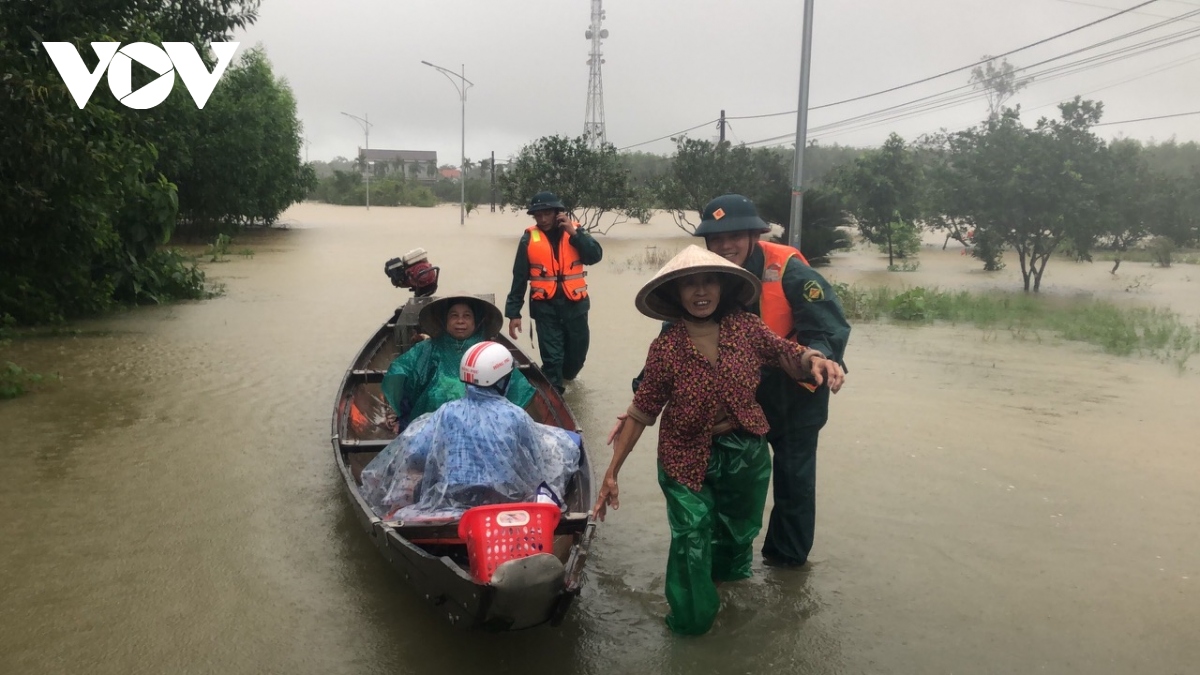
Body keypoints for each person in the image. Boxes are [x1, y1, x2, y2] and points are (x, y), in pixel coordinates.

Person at [591, 245, 844, 636]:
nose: (700, 291)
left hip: (744, 450)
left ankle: (719, 592)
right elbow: (643, 411)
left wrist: (815, 359)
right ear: (677, 294)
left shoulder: (746, 327)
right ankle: (689, 627)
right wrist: (612, 473)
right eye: (690, 284)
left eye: (708, 281)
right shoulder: (666, 348)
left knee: (734, 535)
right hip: (683, 454)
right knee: (692, 535)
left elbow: (784, 352)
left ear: (723, 287)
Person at [696, 194, 851, 568]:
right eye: (715, 239)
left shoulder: (789, 271)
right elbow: (677, 331)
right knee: (735, 480)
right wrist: (647, 386)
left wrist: (821, 357)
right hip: (741, 396)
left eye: (733, 235)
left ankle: (786, 567)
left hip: (796, 391)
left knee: (794, 483)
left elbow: (826, 326)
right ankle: (729, 562)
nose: (724, 245)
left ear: (752, 234)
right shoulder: (702, 272)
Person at [362, 341, 581, 519]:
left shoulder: (447, 412)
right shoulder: (516, 415)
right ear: (502, 380)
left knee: (411, 485)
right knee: (566, 445)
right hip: (501, 501)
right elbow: (536, 462)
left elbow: (417, 455)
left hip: (451, 496)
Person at [381, 293, 535, 431]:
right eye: (454, 316)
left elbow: (515, 386)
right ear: (445, 321)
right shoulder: (428, 348)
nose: (460, 321)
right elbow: (400, 372)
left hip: (484, 424)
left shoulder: (489, 351)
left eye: (467, 316)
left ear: (476, 322)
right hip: (433, 425)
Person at [505, 191, 603, 394]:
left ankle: (563, 381)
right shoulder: (528, 239)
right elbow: (519, 277)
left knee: (576, 358)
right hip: (545, 308)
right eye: (537, 215)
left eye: (546, 213)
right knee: (553, 360)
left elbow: (595, 256)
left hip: (575, 307)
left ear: (557, 213)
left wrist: (574, 234)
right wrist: (514, 313)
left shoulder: (575, 232)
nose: (542, 219)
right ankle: (555, 397)